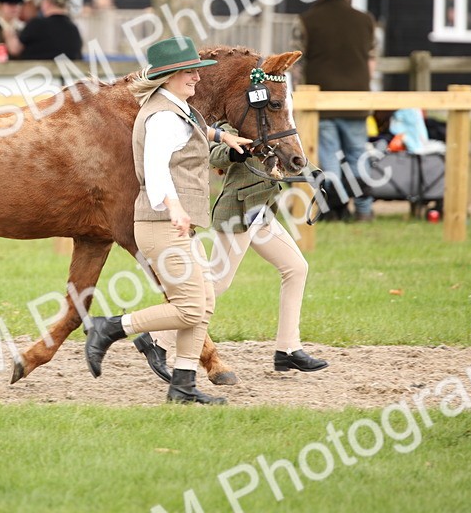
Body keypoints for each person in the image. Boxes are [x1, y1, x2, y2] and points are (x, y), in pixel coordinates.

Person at [84, 36, 251, 405]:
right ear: (170, 76)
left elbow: (192, 130)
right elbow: (155, 169)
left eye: (196, 71)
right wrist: (174, 206)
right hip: (163, 225)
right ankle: (110, 327)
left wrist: (223, 135)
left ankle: (183, 385)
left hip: (175, 227)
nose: (196, 77)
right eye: (189, 72)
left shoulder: (177, 108)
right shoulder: (161, 116)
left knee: (203, 302)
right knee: (189, 307)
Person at [133, 122, 328, 382]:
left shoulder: (274, 120)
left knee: (296, 268)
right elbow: (212, 152)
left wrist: (314, 173)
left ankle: (288, 348)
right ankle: (156, 338)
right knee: (216, 283)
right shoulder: (237, 118)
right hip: (238, 212)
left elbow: (291, 150)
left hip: (263, 212)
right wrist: (234, 153)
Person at [297, 0, 376, 222]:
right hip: (356, 101)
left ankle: (333, 211)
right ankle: (364, 211)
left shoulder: (306, 20)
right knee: (358, 157)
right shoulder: (365, 20)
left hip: (322, 104)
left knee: (329, 158)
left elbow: (296, 64)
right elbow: (372, 62)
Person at [5, 0, 82, 60]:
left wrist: (8, 31)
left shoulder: (36, 24)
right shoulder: (74, 29)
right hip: (65, 72)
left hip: (34, 71)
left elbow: (14, 50)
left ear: (47, 2)